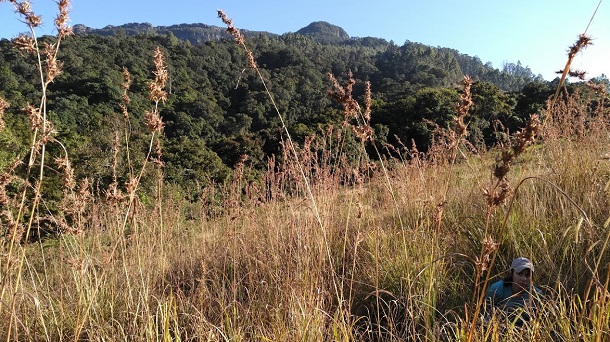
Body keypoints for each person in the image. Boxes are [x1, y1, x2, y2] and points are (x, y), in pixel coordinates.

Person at [484, 257, 544, 326]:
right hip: (497, 328)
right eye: (519, 274)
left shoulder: (536, 294)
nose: (523, 278)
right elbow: (486, 313)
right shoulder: (496, 289)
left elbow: (539, 319)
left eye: (527, 275)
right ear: (512, 273)